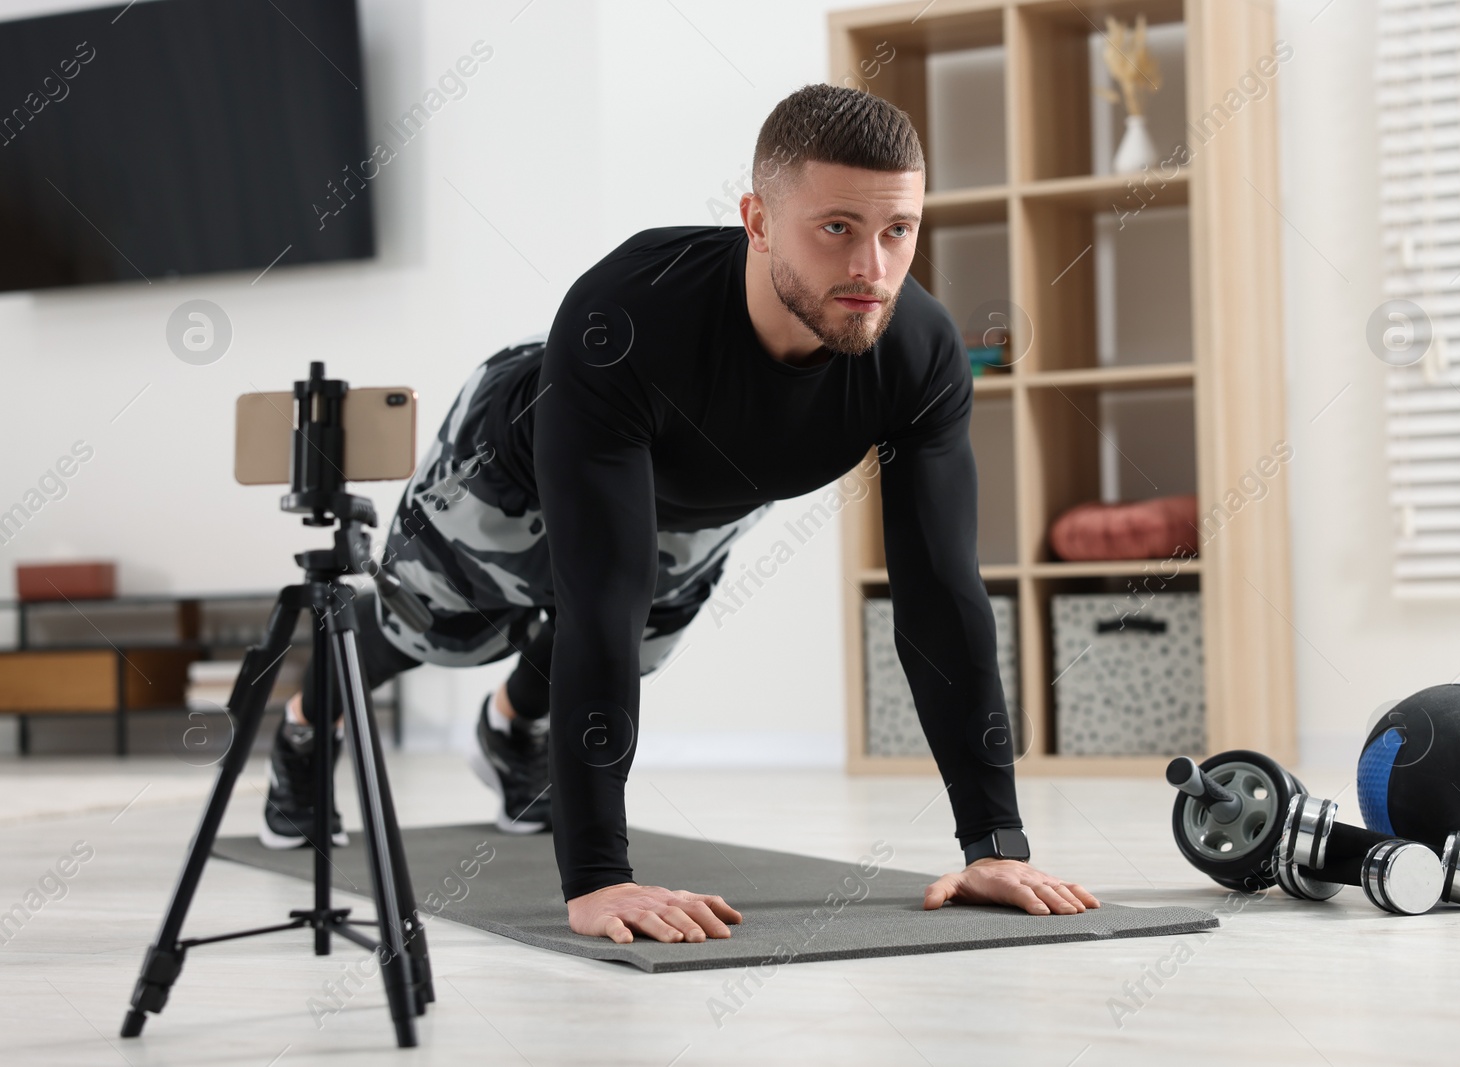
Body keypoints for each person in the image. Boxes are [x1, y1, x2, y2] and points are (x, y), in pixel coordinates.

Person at [259, 82, 1100, 943]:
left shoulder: (917, 354)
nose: (871, 270)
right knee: (437, 629)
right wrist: (598, 879)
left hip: (695, 496)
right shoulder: (627, 313)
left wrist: (994, 842)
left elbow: (941, 595)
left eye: (899, 231)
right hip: (512, 464)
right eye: (837, 228)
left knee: (641, 640)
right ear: (759, 219)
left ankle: (513, 731)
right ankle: (302, 725)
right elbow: (599, 597)